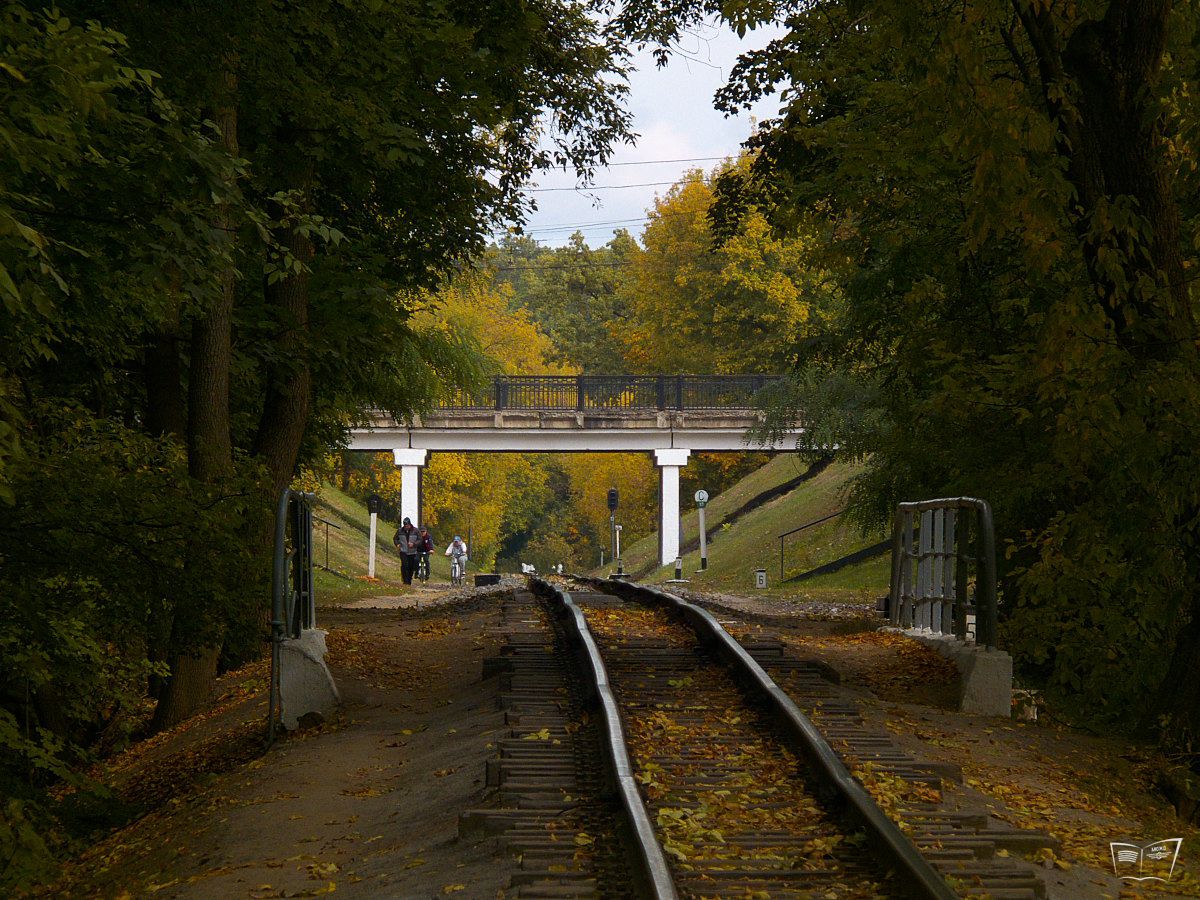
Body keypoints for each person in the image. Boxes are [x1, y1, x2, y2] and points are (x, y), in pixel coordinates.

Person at [393, 516, 420, 585]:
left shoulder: (416, 531)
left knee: (411, 566)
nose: (406, 527)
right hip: (403, 551)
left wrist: (414, 544)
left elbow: (420, 540)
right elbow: (395, 538)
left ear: (410, 524)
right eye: (405, 525)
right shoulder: (400, 531)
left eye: (407, 525)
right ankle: (405, 581)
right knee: (404, 565)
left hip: (412, 552)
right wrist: (397, 544)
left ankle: (409, 580)